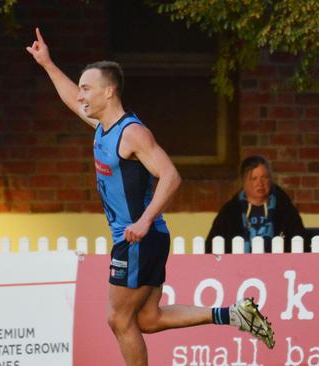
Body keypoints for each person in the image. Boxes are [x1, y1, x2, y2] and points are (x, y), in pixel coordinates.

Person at [26, 28, 275, 365]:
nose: (81, 95)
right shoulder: (103, 127)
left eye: (87, 88)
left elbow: (171, 175)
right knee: (147, 319)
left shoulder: (132, 133)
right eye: (81, 88)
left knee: (118, 319)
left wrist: (143, 221)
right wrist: (48, 63)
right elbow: (73, 100)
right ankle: (233, 315)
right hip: (143, 237)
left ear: (109, 91)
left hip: (139, 237)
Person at [206, 155, 308, 253]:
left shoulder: (285, 209)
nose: (260, 183)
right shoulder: (230, 212)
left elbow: (301, 242)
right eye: (254, 178)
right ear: (243, 182)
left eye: (265, 177)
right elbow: (211, 248)